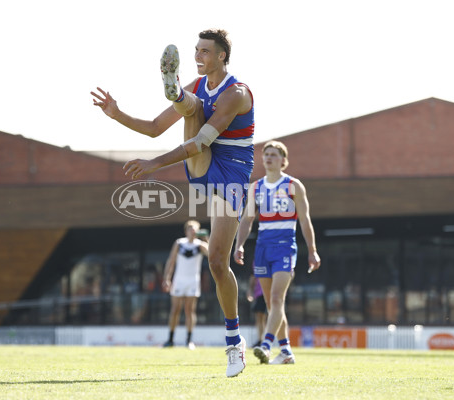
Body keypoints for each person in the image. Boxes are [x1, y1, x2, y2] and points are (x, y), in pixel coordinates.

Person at [91, 29, 254, 377]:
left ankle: (234, 340)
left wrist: (153, 165)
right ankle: (175, 90)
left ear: (222, 56)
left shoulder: (236, 94)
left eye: (206, 52)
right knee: (192, 103)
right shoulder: (200, 85)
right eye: (196, 50)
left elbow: (199, 142)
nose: (199, 55)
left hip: (232, 174)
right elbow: (153, 128)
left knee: (217, 260)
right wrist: (117, 113)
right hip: (203, 160)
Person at [234, 140, 321, 365]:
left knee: (276, 298)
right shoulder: (256, 187)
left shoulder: (293, 186)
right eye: (266, 154)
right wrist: (239, 244)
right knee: (273, 305)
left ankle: (265, 344)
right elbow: (247, 219)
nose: (269, 158)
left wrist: (312, 251)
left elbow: (305, 220)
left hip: (285, 246)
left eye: (274, 154)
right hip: (263, 247)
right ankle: (286, 352)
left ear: (284, 160)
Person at [162, 220, 208, 350]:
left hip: (193, 281)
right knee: (175, 309)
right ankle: (170, 339)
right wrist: (167, 278)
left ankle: (189, 340)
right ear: (186, 231)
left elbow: (212, 255)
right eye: (190, 229)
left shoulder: (200, 245)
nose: (192, 232)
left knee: (189, 310)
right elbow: (171, 261)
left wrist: (206, 239)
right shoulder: (179, 243)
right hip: (179, 280)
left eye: (194, 229)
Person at [247, 268, 267, 348]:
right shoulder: (255, 261)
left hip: (269, 292)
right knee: (260, 318)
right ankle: (261, 340)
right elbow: (252, 277)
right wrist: (250, 291)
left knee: (265, 318)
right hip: (259, 293)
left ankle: (265, 341)